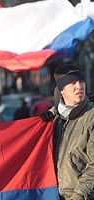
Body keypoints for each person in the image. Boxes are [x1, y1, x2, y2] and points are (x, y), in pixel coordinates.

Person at [53, 70, 94, 200]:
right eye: (72, 83)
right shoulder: (55, 121)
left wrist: (79, 195)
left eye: (81, 81)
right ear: (61, 90)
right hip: (54, 194)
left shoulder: (91, 117)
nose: (79, 86)